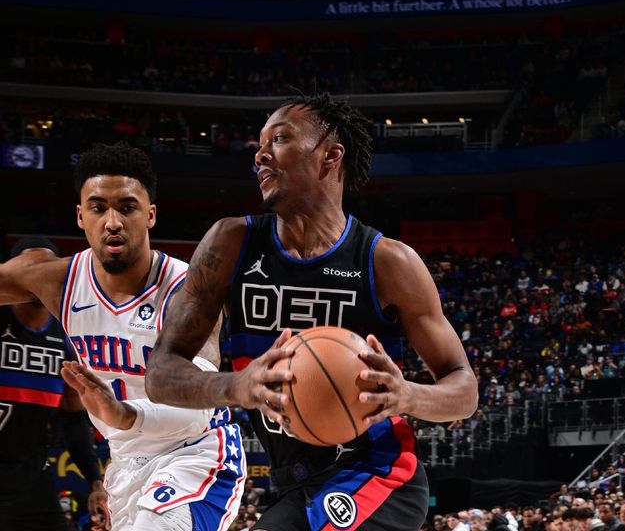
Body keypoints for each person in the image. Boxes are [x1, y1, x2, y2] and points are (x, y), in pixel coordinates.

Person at [145, 93, 479, 530]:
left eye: (279, 139)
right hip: (293, 479)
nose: (260, 155)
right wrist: (237, 386)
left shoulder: (388, 262)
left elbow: (465, 390)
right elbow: (161, 375)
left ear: (330, 155)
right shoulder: (230, 243)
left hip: (376, 470)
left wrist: (407, 395)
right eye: (259, 144)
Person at [0, 143, 245, 530]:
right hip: (124, 461)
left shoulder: (187, 289)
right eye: (98, 208)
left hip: (195, 455)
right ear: (81, 217)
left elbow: (199, 406)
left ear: (150, 215)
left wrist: (125, 414)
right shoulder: (55, 279)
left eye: (127, 208)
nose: (112, 221)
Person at [0, 237, 105, 531]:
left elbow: (73, 420)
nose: (36, 278)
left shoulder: (66, 339)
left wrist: (94, 481)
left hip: (31, 477)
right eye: (27, 270)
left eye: (45, 269)